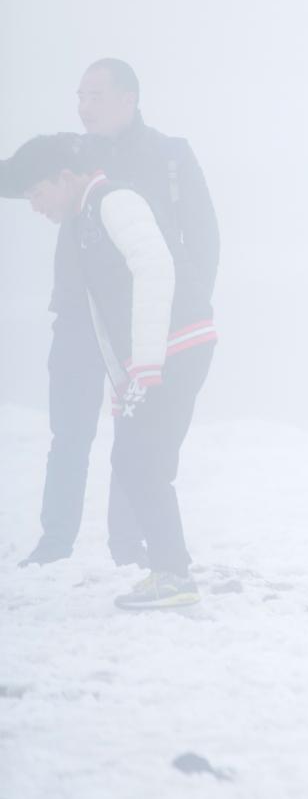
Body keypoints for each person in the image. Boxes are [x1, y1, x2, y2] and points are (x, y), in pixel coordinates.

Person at [0, 58, 219, 568]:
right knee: (69, 431)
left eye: (95, 95)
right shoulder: (72, 152)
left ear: (129, 98)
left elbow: (202, 236)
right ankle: (56, 543)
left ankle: (131, 545)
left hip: (146, 322)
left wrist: (176, 315)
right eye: (79, 95)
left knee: (136, 435)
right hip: (80, 317)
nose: (83, 105)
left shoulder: (169, 155)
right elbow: (19, 173)